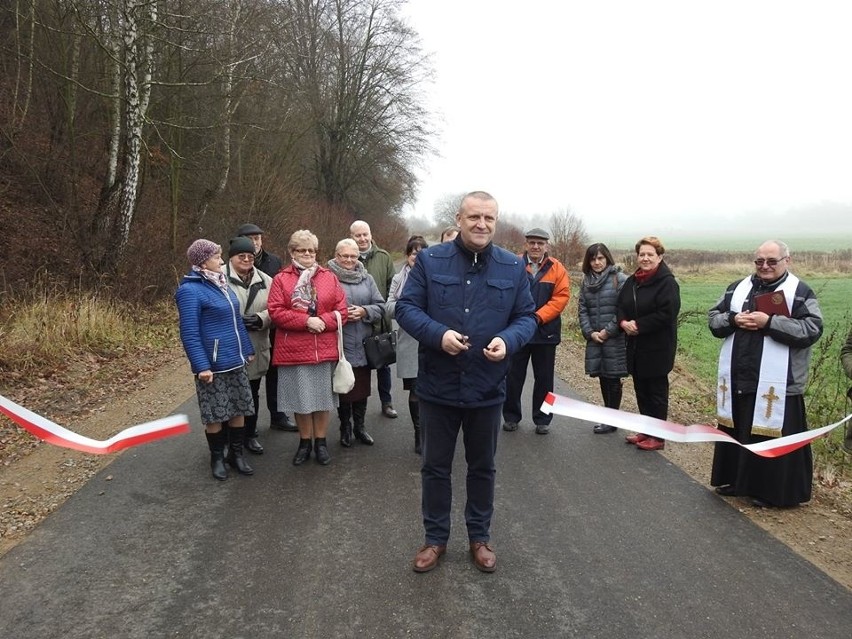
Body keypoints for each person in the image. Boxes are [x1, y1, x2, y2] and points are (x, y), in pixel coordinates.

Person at [396, 191, 536, 574]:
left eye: (489, 218)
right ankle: (435, 538)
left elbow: (527, 317)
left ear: (496, 221)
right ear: (459, 218)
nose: (482, 225)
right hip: (438, 387)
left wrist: (507, 341)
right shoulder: (429, 260)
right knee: (435, 467)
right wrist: (438, 334)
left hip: (487, 388)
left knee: (483, 468)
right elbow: (406, 308)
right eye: (474, 217)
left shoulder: (511, 267)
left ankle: (480, 537)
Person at [709, 240, 823, 507]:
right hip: (739, 377)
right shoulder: (737, 288)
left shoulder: (800, 292)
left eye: (772, 261)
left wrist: (769, 322)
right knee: (739, 432)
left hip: (780, 384)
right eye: (759, 261)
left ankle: (775, 494)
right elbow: (714, 318)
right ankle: (738, 482)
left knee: (772, 437)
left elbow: (812, 329)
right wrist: (733, 319)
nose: (765, 266)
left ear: (787, 260)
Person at [175, 239, 256, 480]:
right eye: (216, 257)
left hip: (235, 359)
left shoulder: (222, 284)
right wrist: (201, 366)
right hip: (213, 365)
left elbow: (236, 320)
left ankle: (237, 454)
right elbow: (189, 332)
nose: (221, 261)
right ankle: (217, 457)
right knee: (216, 414)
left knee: (239, 407)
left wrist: (247, 349)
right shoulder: (189, 291)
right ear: (202, 261)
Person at [267, 230, 347, 466]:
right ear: (292, 252)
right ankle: (304, 442)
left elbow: (342, 310)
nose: (308, 254)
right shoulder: (282, 279)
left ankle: (321, 443)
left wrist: (324, 321)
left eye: (311, 250)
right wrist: (305, 321)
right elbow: (276, 311)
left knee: (323, 400)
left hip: (324, 348)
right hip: (294, 350)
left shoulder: (329, 277)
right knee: (301, 400)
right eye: (302, 250)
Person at [502, 228, 570, 435]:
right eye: (532, 242)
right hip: (517, 332)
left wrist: (537, 317)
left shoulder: (557, 268)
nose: (535, 247)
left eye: (540, 243)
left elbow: (561, 297)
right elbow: (505, 292)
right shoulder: (513, 264)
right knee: (513, 377)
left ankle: (543, 419)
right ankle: (511, 417)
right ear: (526, 244)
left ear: (546, 246)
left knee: (545, 379)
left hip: (545, 333)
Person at [616, 236, 680, 451]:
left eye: (650, 254)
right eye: (641, 254)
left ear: (660, 257)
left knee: (656, 394)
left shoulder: (667, 283)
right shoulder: (634, 281)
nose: (645, 258)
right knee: (641, 390)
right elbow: (621, 304)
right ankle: (646, 430)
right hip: (635, 346)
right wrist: (623, 322)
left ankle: (658, 437)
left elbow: (667, 314)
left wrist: (639, 325)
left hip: (657, 348)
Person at [327, 238, 386, 448]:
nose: (350, 260)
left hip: (362, 342)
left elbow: (381, 306)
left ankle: (360, 427)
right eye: (345, 256)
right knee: (343, 387)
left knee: (361, 389)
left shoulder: (367, 278)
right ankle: (345, 427)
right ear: (337, 255)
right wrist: (341, 315)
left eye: (353, 256)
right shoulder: (326, 277)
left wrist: (364, 311)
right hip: (337, 342)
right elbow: (319, 308)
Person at [237, 223, 295, 433]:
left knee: (275, 376)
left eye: (257, 238)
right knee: (250, 380)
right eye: (250, 238)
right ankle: (247, 426)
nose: (255, 242)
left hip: (273, 328)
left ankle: (278, 416)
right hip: (247, 332)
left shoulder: (274, 261)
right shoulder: (235, 263)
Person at [225, 236, 273, 454]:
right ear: (231, 258)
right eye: (241, 256)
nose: (246, 259)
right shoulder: (219, 279)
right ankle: (229, 439)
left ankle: (250, 435)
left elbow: (276, 308)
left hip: (256, 344)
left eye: (250, 256)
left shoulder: (266, 280)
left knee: (252, 392)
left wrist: (262, 318)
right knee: (229, 394)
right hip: (229, 347)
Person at [578, 243, 628, 434]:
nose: (597, 262)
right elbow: (582, 309)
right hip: (595, 338)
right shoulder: (586, 282)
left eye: (600, 258)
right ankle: (608, 417)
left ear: (607, 258)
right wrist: (590, 332)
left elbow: (623, 310)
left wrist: (608, 332)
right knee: (602, 376)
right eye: (593, 259)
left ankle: (611, 420)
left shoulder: (619, 279)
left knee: (613, 378)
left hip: (614, 339)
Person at [386, 235, 429, 453]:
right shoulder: (398, 279)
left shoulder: (435, 276)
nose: (417, 256)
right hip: (409, 339)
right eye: (413, 253)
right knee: (416, 389)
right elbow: (389, 307)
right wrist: (408, 307)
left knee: (433, 389)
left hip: (432, 340)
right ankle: (419, 434)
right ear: (407, 255)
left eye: (421, 253)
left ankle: (434, 432)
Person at [350, 220, 398, 418]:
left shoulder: (384, 257)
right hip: (354, 324)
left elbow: (392, 287)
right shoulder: (346, 256)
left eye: (365, 234)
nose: (362, 239)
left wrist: (381, 311)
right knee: (357, 367)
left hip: (380, 322)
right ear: (351, 236)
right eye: (357, 235)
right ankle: (353, 407)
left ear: (370, 234)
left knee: (382, 366)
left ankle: (386, 402)